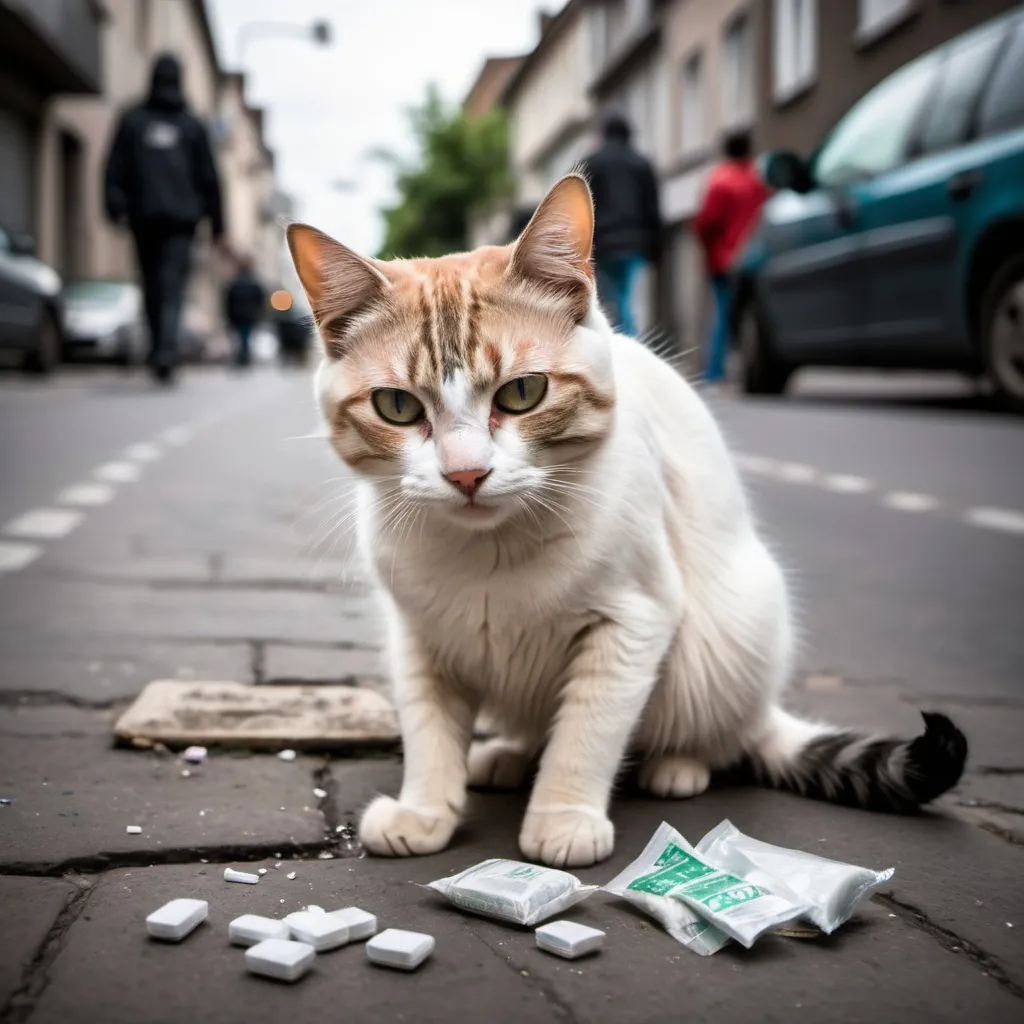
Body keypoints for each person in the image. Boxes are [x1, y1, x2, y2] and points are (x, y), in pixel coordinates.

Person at [104, 53, 225, 384]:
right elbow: (210, 180)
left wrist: (114, 203)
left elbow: (114, 167)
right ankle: (164, 351)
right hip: (179, 220)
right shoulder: (190, 125)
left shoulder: (135, 119)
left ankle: (163, 350)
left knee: (155, 285)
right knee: (169, 286)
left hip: (146, 217)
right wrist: (217, 225)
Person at [693, 129, 769, 384]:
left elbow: (706, 222)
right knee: (753, 313)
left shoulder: (720, 181)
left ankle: (715, 372)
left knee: (723, 314)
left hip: (725, 259)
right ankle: (749, 363)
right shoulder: (758, 181)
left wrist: (709, 249)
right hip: (755, 258)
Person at [580, 111, 661, 337]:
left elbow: (582, 207)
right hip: (636, 243)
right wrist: (656, 248)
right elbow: (652, 208)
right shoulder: (642, 164)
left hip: (603, 244)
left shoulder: (592, 162)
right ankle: (631, 343)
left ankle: (623, 345)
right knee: (631, 300)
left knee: (611, 299)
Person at [224, 257, 266, 368]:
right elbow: (260, 301)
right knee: (245, 338)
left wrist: (229, 316)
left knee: (239, 338)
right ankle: (244, 358)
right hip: (249, 317)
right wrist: (258, 314)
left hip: (237, 317)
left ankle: (242, 358)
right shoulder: (255, 284)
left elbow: (228, 302)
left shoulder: (234, 283)